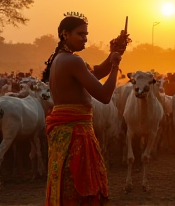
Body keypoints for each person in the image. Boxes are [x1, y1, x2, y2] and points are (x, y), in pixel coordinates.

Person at [42, 12, 130, 206]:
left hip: (65, 133)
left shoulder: (61, 59)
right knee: (81, 189)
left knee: (66, 187)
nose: (85, 39)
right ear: (65, 34)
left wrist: (113, 54)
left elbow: (94, 74)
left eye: (86, 34)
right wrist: (116, 66)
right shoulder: (73, 61)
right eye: (80, 34)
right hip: (76, 135)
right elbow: (105, 96)